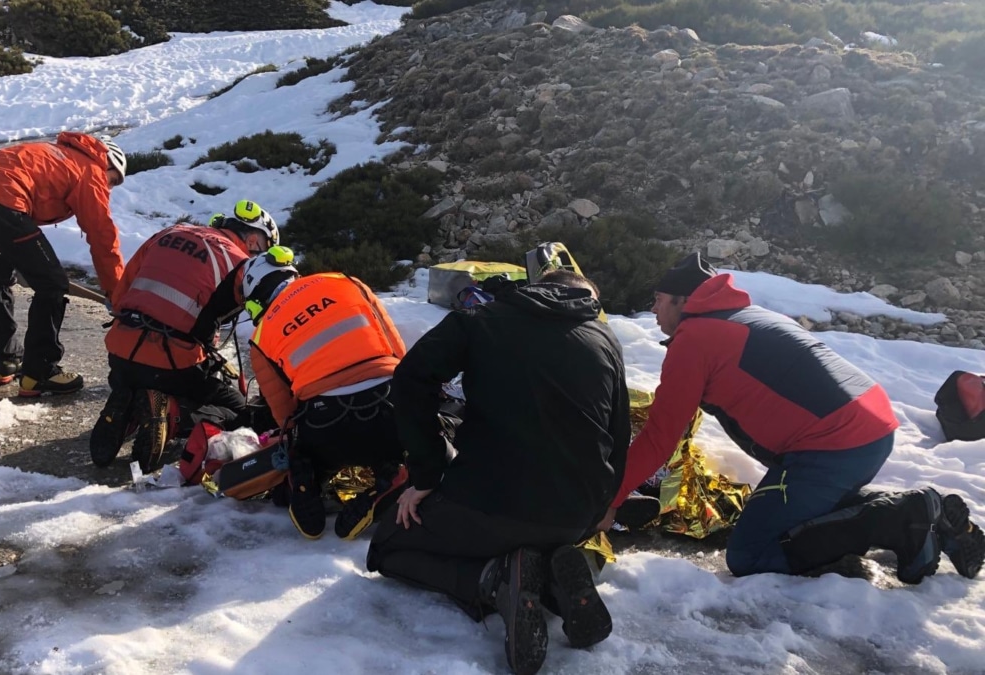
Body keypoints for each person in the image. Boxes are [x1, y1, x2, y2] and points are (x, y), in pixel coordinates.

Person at [604, 252, 984, 584]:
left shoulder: (695, 341)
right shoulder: (741, 314)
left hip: (832, 444)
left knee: (750, 553)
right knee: (805, 504)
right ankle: (937, 523)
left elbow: (660, 436)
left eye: (658, 301)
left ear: (683, 300)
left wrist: (610, 501)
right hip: (867, 426)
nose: (653, 310)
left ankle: (905, 519)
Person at [367, 269, 629, 675]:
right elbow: (619, 431)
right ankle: (554, 588)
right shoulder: (604, 338)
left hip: (489, 505)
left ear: (537, 287)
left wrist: (426, 475)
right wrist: (606, 504)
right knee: (533, 533)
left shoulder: (480, 321)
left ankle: (492, 580)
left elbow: (410, 379)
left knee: (387, 546)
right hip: (575, 519)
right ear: (587, 299)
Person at [89, 200, 281, 468]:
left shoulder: (169, 233)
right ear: (252, 239)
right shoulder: (239, 264)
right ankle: (171, 414)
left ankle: (128, 402)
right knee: (238, 410)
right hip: (170, 364)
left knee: (155, 370)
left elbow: (122, 292)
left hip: (119, 353)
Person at [0, 132, 127, 396]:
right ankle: (40, 372)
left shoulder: (57, 154)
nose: (109, 188)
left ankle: (6, 361)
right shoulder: (90, 169)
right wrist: (117, 292)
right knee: (52, 284)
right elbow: (103, 237)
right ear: (107, 163)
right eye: (113, 180)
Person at [241, 250, 409, 540]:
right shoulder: (347, 282)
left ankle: (306, 476)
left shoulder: (261, 335)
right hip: (388, 407)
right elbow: (398, 353)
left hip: (325, 425)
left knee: (308, 452)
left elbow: (285, 417)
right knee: (415, 450)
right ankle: (394, 477)